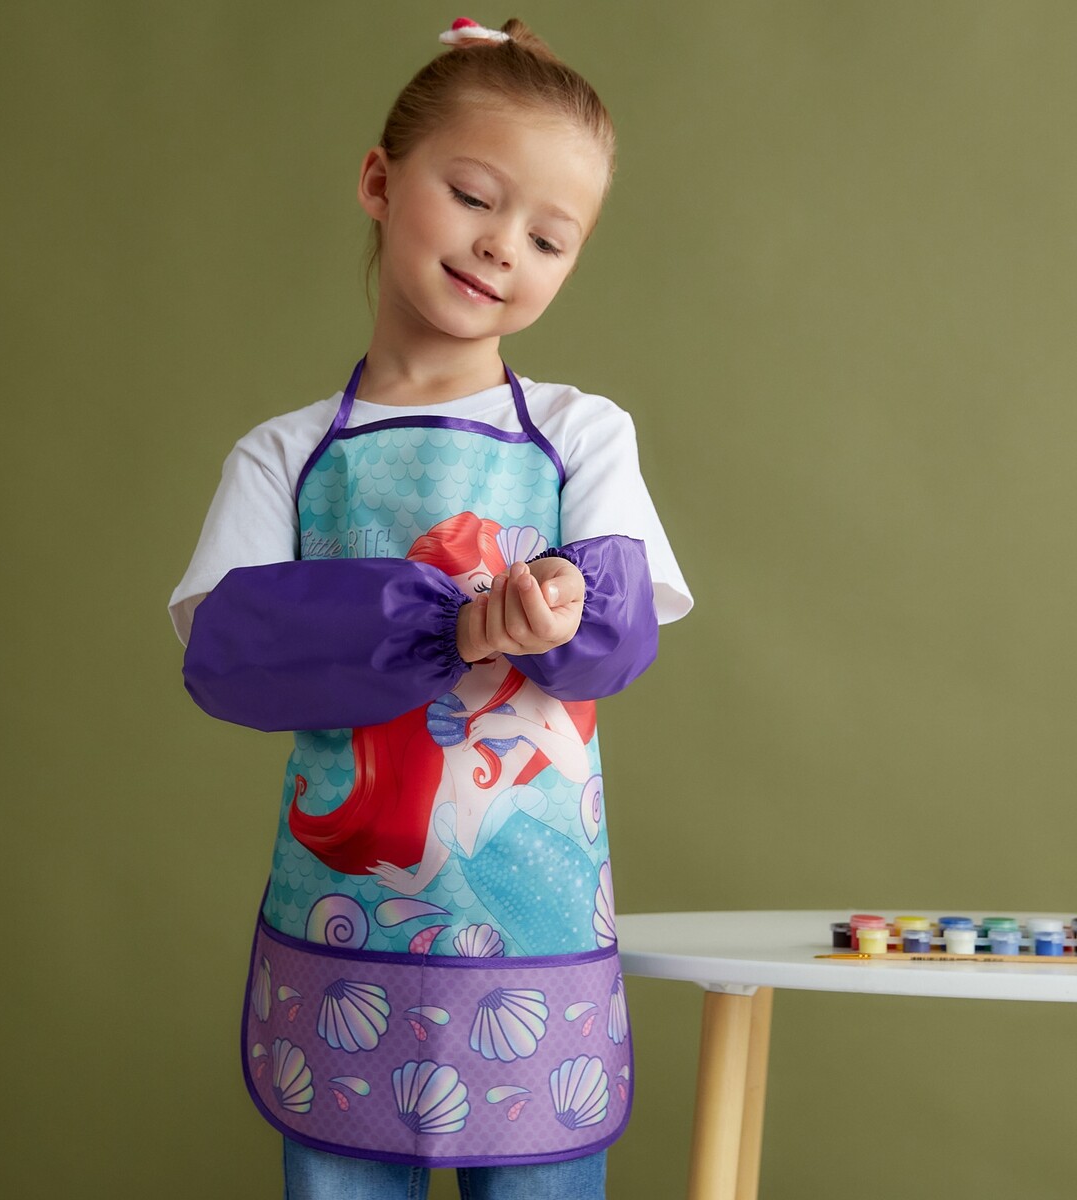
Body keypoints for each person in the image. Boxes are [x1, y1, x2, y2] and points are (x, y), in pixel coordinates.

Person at [169, 17, 693, 1200]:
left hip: (537, 934)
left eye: (548, 238)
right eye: (472, 196)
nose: (502, 245)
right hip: (344, 928)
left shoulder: (580, 436)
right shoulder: (285, 456)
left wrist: (566, 603)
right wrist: (450, 628)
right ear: (377, 181)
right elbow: (230, 653)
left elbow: (621, 631)